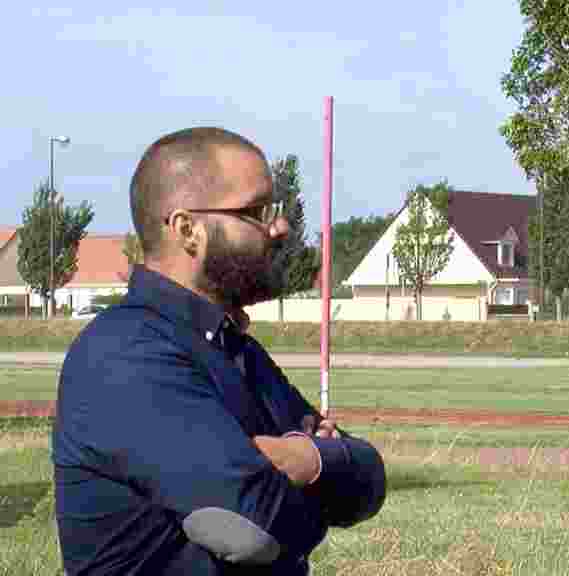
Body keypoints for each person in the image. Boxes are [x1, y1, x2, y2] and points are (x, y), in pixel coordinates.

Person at [52, 127, 386, 575]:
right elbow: (255, 528)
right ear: (187, 229)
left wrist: (307, 460)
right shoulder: (125, 357)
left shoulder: (232, 346)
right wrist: (317, 478)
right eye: (257, 211)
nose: (280, 226)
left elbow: (367, 483)